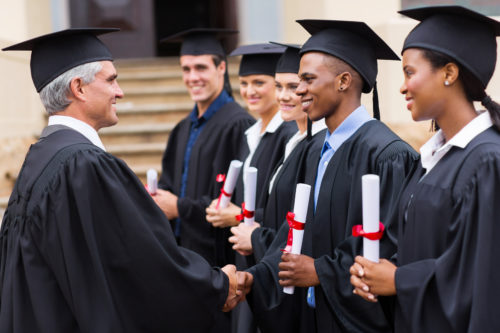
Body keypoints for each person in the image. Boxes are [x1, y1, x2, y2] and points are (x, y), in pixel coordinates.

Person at [0, 28, 240, 333]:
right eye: (111, 80)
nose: (120, 92)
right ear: (79, 88)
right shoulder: (84, 166)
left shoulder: (40, 157)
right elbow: (142, 260)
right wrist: (218, 285)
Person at [237, 20, 418, 332]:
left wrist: (320, 272)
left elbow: (389, 246)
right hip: (313, 316)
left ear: (344, 81)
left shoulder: (388, 154)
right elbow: (291, 233)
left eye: (307, 79)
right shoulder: (315, 148)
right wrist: (255, 277)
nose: (300, 90)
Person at [349, 6, 500, 332]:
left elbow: (483, 279)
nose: (402, 87)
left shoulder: (487, 161)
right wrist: (381, 275)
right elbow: (430, 250)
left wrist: (399, 280)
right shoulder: (433, 159)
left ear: (448, 73)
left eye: (409, 72)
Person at [154, 28, 255, 268]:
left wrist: (179, 208)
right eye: (186, 69)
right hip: (181, 252)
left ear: (221, 68)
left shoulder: (239, 124)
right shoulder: (182, 128)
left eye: (201, 68)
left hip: (218, 259)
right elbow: (169, 183)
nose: (192, 77)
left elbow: (237, 200)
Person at [205, 43, 297, 246]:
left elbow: (286, 209)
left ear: (278, 86)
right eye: (244, 83)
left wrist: (238, 214)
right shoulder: (251, 134)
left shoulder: (290, 136)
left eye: (259, 82)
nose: (249, 91)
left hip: (271, 249)